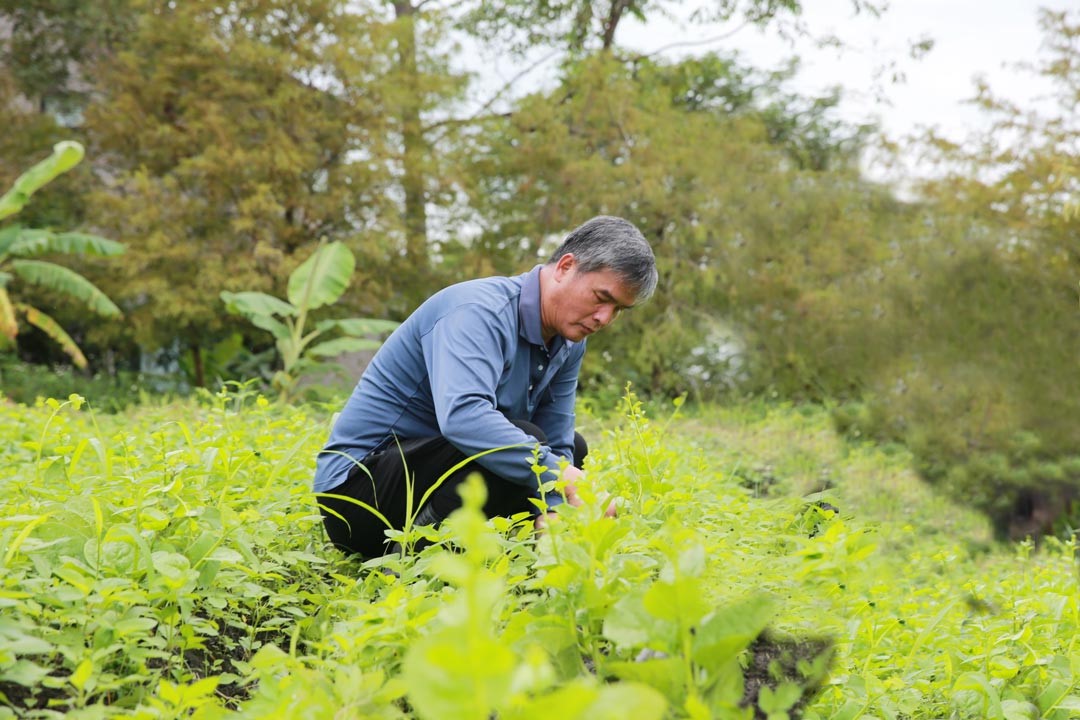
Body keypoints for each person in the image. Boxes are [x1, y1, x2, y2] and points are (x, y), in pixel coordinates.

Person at [314, 215, 658, 558]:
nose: (604, 318)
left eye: (618, 309)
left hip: (431, 476)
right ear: (566, 267)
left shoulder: (569, 341)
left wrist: (553, 508)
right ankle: (411, 553)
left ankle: (476, 548)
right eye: (601, 297)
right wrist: (563, 477)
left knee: (569, 447)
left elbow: (557, 435)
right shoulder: (478, 311)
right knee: (527, 444)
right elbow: (464, 417)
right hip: (358, 495)